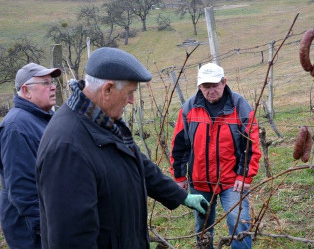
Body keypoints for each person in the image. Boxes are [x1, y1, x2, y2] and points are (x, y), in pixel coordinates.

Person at [36, 47, 209, 249]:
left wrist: (180, 195)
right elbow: (72, 239)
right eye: (129, 93)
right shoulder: (68, 147)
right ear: (107, 90)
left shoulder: (102, 119)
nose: (132, 100)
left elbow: (136, 161)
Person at [170, 63, 262, 248]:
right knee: (203, 227)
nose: (211, 90)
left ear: (224, 82)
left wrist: (244, 175)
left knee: (239, 224)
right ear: (199, 87)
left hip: (232, 181)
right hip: (200, 180)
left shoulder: (239, 106)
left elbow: (250, 143)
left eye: (215, 85)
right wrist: (179, 176)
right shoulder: (189, 108)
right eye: (206, 86)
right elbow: (180, 144)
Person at [0, 63, 61, 249]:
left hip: (49, 219)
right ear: (26, 91)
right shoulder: (16, 127)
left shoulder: (45, 117)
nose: (53, 87)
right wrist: (46, 231)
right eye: (45, 82)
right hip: (30, 230)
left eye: (52, 82)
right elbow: (23, 190)